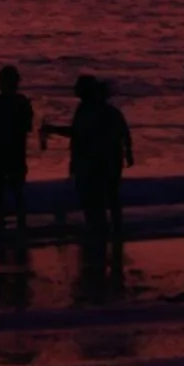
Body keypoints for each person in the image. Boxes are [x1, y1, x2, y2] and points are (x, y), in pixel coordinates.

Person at [42, 73, 131, 277]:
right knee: (110, 197)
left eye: (78, 88)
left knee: (93, 200)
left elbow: (77, 134)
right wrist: (129, 152)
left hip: (94, 162)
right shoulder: (108, 110)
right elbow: (123, 131)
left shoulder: (87, 110)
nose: (75, 91)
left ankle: (100, 235)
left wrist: (53, 129)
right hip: (109, 160)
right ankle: (113, 233)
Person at [0, 63, 33, 242]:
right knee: (13, 189)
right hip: (13, 150)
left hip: (4, 150)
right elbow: (28, 126)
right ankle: (17, 224)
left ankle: (3, 225)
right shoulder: (21, 101)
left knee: (3, 189)